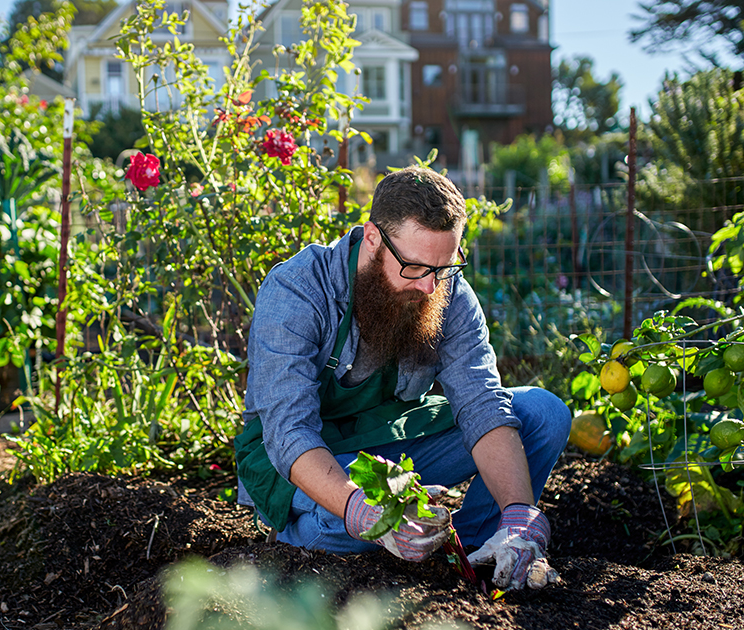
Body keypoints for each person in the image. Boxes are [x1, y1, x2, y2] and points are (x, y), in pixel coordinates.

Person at [234, 166, 571, 590]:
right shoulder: (298, 290)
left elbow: (481, 402)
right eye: (414, 267)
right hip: (300, 457)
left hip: (388, 440)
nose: (431, 287)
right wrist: (361, 510)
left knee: (542, 413)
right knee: (353, 523)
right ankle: (298, 539)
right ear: (373, 238)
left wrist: (519, 512)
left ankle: (473, 554)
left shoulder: (445, 290)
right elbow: (289, 432)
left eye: (444, 267)